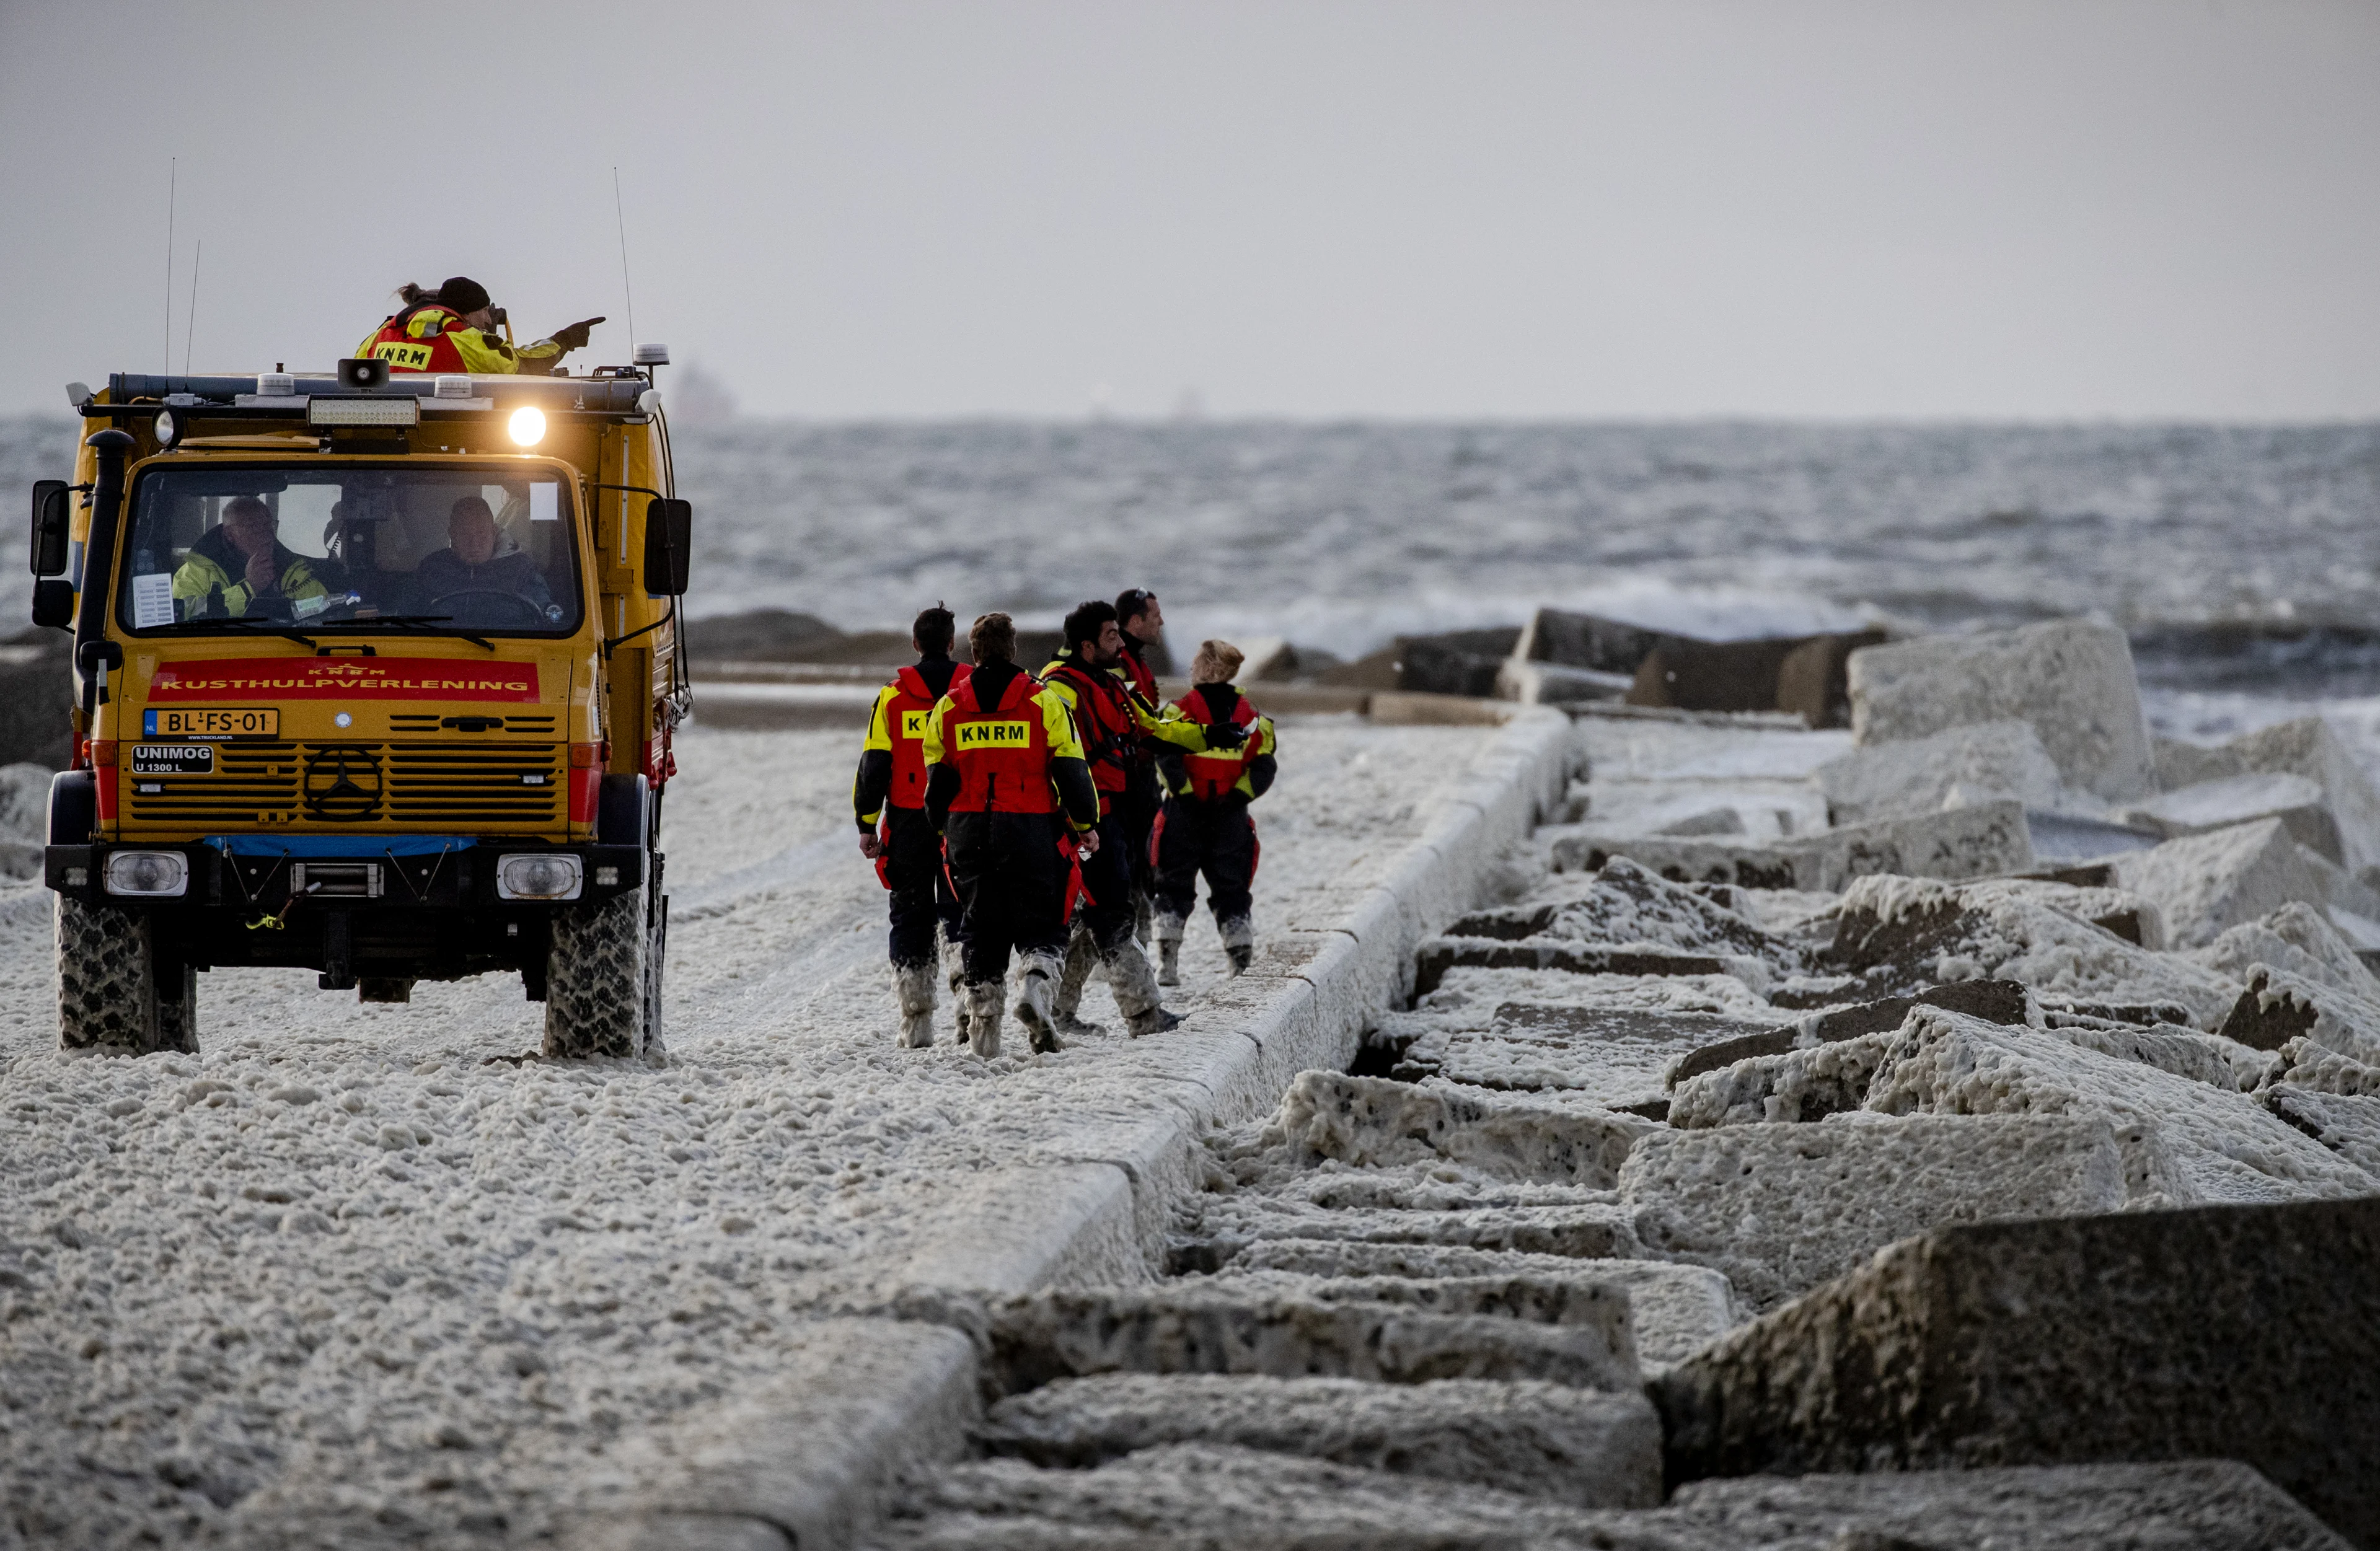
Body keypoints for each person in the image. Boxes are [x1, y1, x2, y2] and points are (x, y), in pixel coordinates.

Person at [1036, 600, 1226, 1038]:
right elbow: (1058, 762)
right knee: (1113, 912)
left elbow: (1153, 727)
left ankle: (1057, 1011)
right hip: (1088, 823)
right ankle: (1144, 1014)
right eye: (1111, 636)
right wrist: (1079, 824)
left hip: (1114, 814)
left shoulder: (1109, 683)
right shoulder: (1057, 691)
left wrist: (1208, 735)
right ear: (1086, 645)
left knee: (1093, 918)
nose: (1121, 641)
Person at [923, 612, 1103, 1057]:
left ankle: (984, 1034)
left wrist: (944, 829)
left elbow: (936, 790)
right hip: (1030, 829)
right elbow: (1073, 774)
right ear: (1014, 650)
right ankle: (1036, 991)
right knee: (1046, 922)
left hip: (967, 833)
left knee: (981, 928)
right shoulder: (1043, 703)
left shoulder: (948, 707)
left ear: (975, 652)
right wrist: (1087, 826)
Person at [855, 604, 972, 1048]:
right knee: (963, 913)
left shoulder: (893, 695)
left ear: (916, 643)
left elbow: (874, 764)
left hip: (906, 820)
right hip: (963, 819)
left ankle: (917, 1021)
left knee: (910, 917)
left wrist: (866, 822)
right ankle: (969, 1011)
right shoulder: (971, 691)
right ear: (952, 641)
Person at [1152, 639, 1278, 982]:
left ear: (1207, 668)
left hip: (1183, 813)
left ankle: (1167, 965)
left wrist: (1187, 795)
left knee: (1172, 889)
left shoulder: (1178, 712)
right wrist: (1239, 796)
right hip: (1230, 816)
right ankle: (1239, 964)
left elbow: (1166, 757)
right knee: (1233, 892)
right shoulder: (1252, 719)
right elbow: (1264, 766)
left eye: (1195, 663)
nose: (1191, 668)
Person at [356, 278, 604, 376]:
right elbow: (524, 365)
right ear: (466, 311)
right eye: (485, 311)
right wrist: (566, 339)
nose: (488, 320)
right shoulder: (464, 340)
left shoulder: (383, 333)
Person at [1112, 587, 1170, 944]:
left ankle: (1137, 937)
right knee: (1130, 861)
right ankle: (1127, 939)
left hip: (1140, 776)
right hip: (1126, 778)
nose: (1162, 621)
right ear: (1135, 622)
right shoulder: (1120, 663)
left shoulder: (1135, 659)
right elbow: (1128, 723)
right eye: (1155, 616)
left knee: (1144, 861)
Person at [169, 496, 333, 621]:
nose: (267, 534)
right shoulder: (196, 571)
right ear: (229, 535)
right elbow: (187, 617)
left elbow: (326, 612)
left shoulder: (294, 570)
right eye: (253, 527)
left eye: (269, 525)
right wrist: (249, 588)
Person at [410, 497, 556, 620]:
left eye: (481, 533)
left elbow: (545, 614)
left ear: (494, 532)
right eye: (465, 534)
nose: (474, 543)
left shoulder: (522, 569)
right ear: (452, 534)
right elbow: (408, 615)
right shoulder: (433, 568)